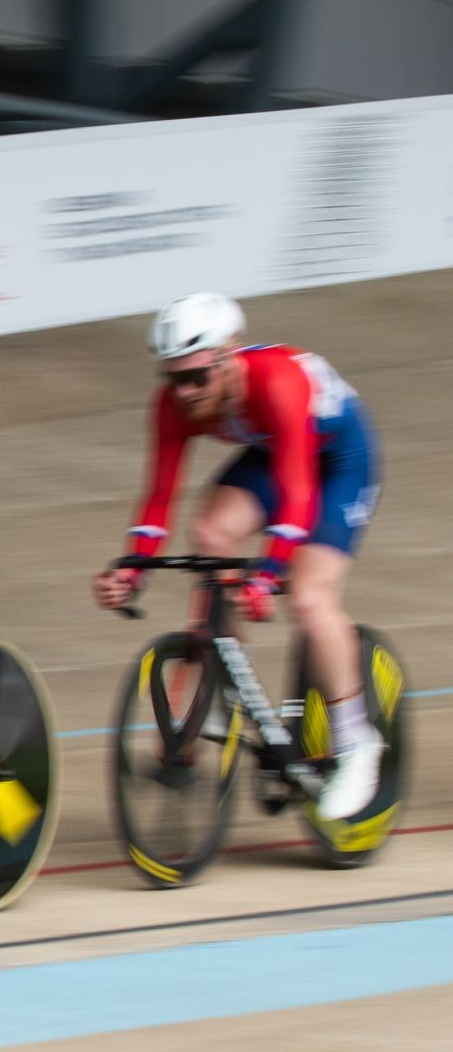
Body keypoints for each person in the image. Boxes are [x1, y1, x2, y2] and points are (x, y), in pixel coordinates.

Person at [91, 293, 382, 823]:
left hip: (337, 463)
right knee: (211, 535)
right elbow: (159, 497)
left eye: (197, 377)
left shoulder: (276, 381)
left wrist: (269, 575)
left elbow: (298, 494)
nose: (185, 392)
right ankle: (227, 675)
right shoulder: (174, 405)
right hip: (273, 459)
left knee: (312, 598)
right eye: (173, 378)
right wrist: (132, 566)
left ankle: (356, 742)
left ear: (229, 357)